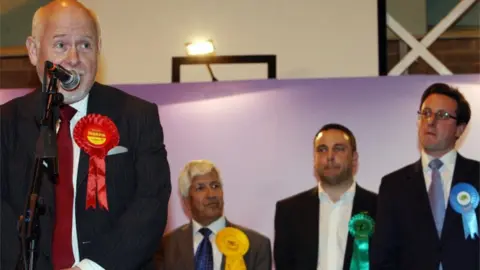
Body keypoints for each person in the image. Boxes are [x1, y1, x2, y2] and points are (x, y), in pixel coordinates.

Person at [0, 1, 171, 269]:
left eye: (85, 45)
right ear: (33, 50)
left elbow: (151, 203)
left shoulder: (137, 116)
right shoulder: (6, 123)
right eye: (60, 45)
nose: (73, 58)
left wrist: (92, 267)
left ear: (99, 49)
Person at [370, 83, 479, 270]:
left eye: (442, 115)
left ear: (459, 129)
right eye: (426, 113)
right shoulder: (393, 185)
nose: (430, 121)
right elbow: (383, 257)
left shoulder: (477, 176)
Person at [274, 124, 377, 270]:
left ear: (354, 158)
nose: (329, 157)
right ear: (314, 159)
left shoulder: (380, 208)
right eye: (322, 150)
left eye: (338, 148)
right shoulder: (289, 211)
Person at [155, 160, 272, 270]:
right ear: (186, 201)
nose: (211, 195)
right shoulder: (166, 246)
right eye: (200, 188)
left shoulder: (256, 245)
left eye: (215, 186)